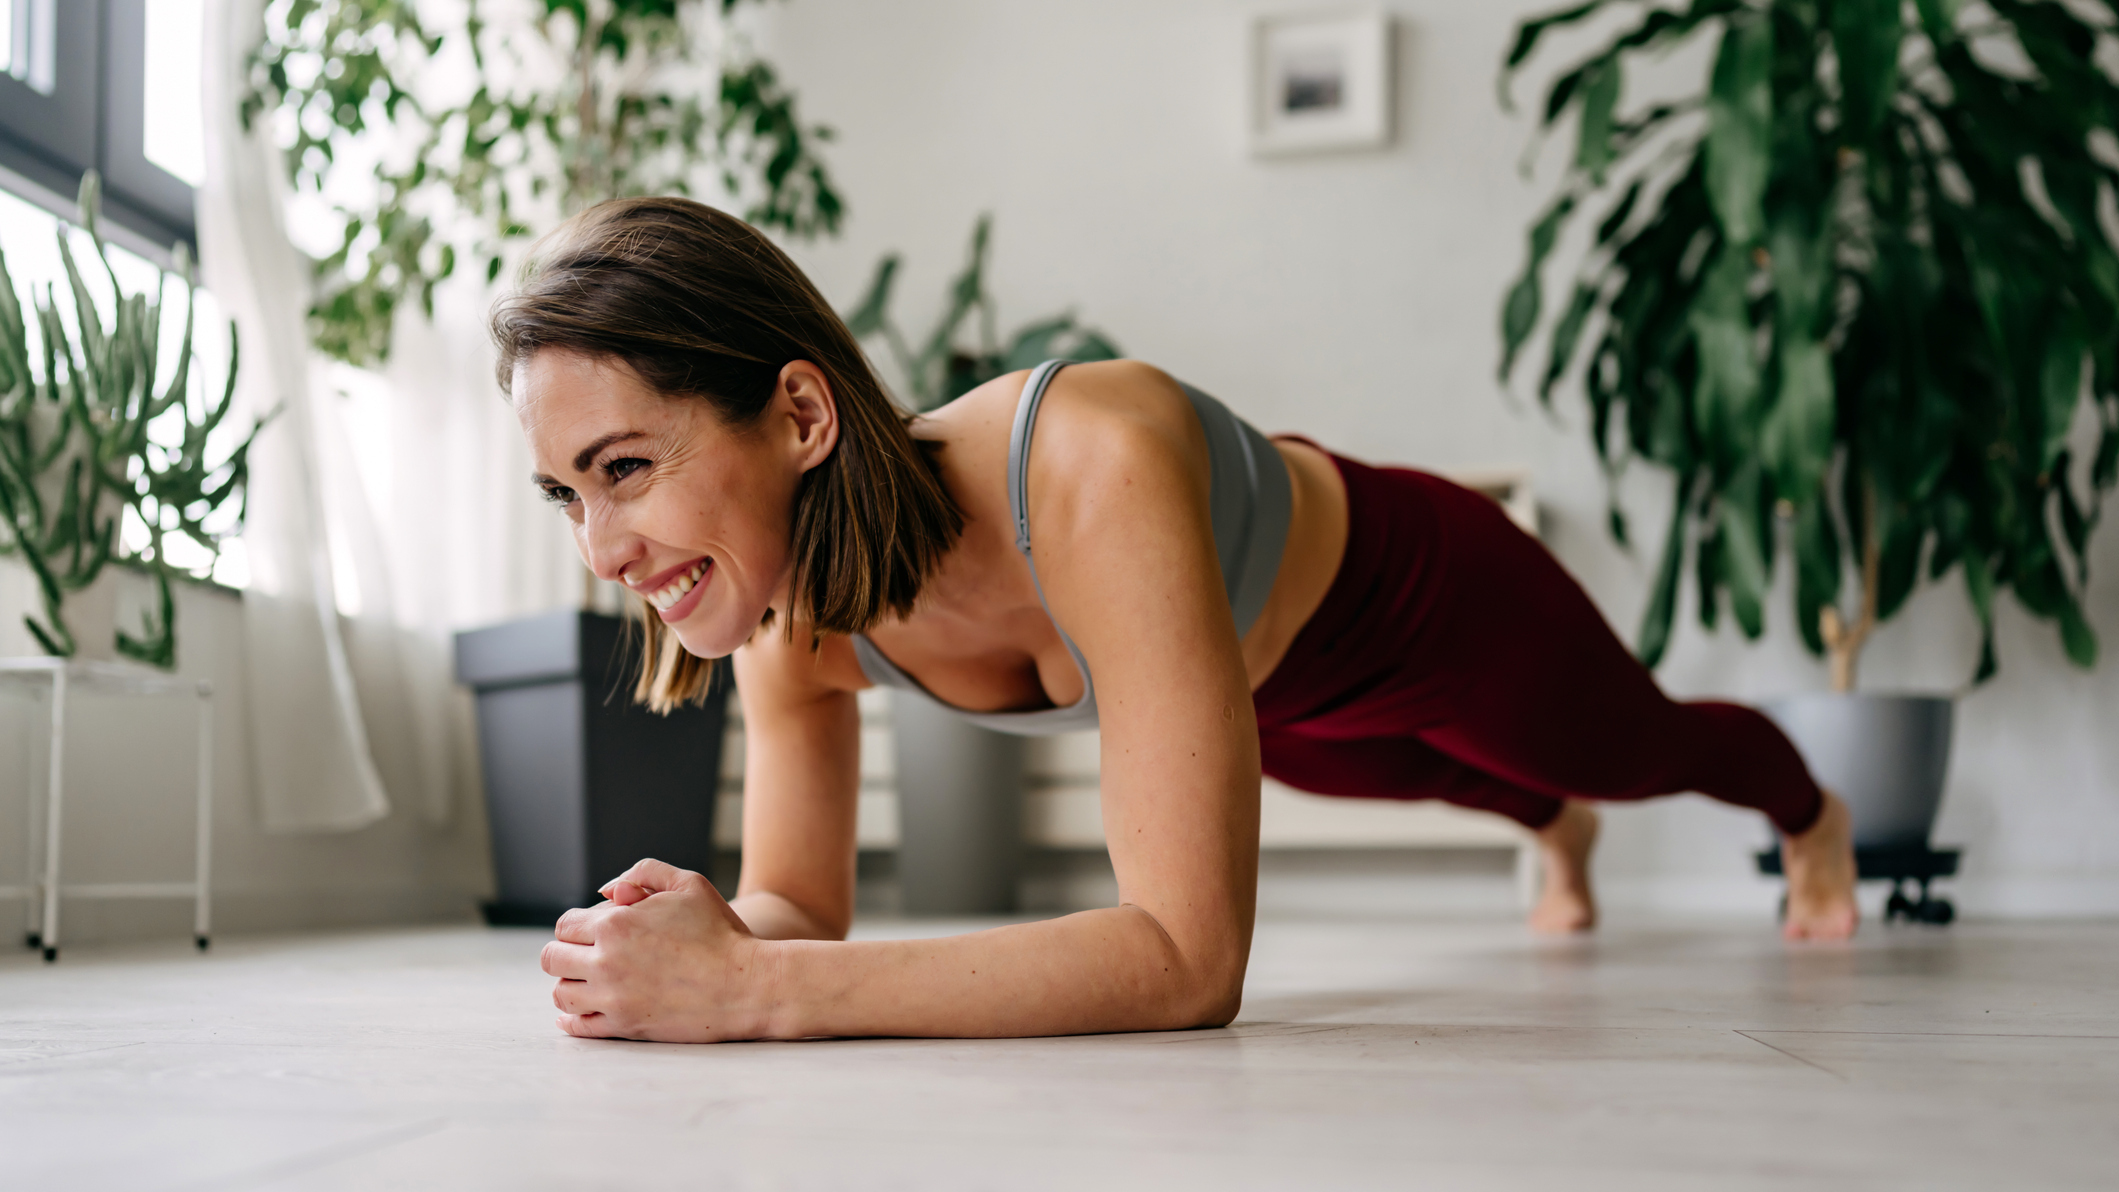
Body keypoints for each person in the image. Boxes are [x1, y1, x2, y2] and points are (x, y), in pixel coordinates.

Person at [501, 196, 1861, 1044]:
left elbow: (1185, 961)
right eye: (567, 493)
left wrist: (756, 996)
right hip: (1271, 702)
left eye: (626, 468)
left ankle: (1812, 816)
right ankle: (1551, 826)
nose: (603, 549)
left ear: (800, 415)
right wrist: (708, 941)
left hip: (1418, 592)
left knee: (1618, 745)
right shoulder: (784, 620)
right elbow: (800, 901)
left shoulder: (1088, 460)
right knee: (1438, 775)